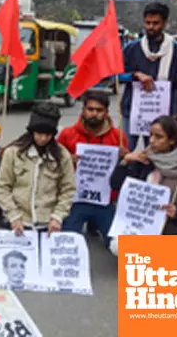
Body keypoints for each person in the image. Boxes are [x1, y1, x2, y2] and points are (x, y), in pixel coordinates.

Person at [58, 91, 128, 247]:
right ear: (83, 110)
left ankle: (95, 225)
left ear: (106, 112)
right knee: (67, 243)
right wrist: (67, 159)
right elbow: (54, 163)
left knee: (116, 245)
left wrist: (124, 159)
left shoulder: (118, 137)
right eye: (90, 109)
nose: (94, 114)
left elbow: (124, 174)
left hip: (105, 201)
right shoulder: (67, 134)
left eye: (99, 110)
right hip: (74, 200)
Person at [110, 116, 177, 235]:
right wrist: (125, 161)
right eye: (151, 135)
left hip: (169, 227)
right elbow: (116, 185)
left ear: (172, 140)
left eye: (158, 137)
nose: (152, 140)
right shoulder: (143, 158)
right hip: (137, 224)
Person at [0, 103, 75, 236]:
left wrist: (57, 216)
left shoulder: (62, 156)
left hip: (49, 225)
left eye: (48, 134)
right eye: (39, 133)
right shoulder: (13, 153)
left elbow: (68, 189)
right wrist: (13, 215)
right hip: (19, 223)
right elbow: (2, 187)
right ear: (31, 131)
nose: (43, 138)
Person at [121, 2, 177, 150]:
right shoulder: (131, 48)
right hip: (132, 111)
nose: (151, 27)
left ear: (165, 23)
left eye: (156, 23)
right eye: (147, 23)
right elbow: (116, 76)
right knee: (124, 152)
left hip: (162, 115)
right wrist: (135, 75)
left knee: (157, 156)